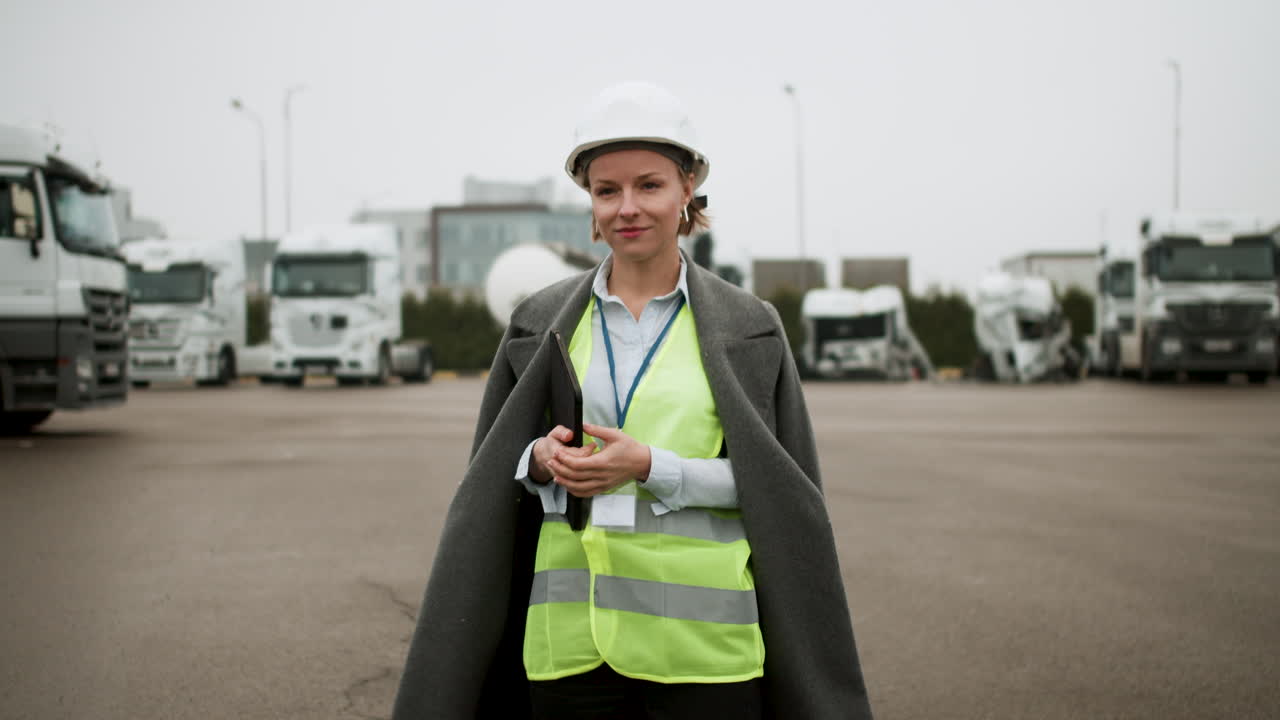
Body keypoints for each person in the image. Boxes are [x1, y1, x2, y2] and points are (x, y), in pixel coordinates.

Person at [392, 81, 873, 719]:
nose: (627, 208)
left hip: (704, 656)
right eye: (607, 190)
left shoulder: (750, 327)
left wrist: (650, 466)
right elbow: (494, 480)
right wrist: (540, 461)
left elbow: (779, 490)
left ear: (687, 189)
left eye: (649, 185)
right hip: (570, 651)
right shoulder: (538, 322)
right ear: (589, 203)